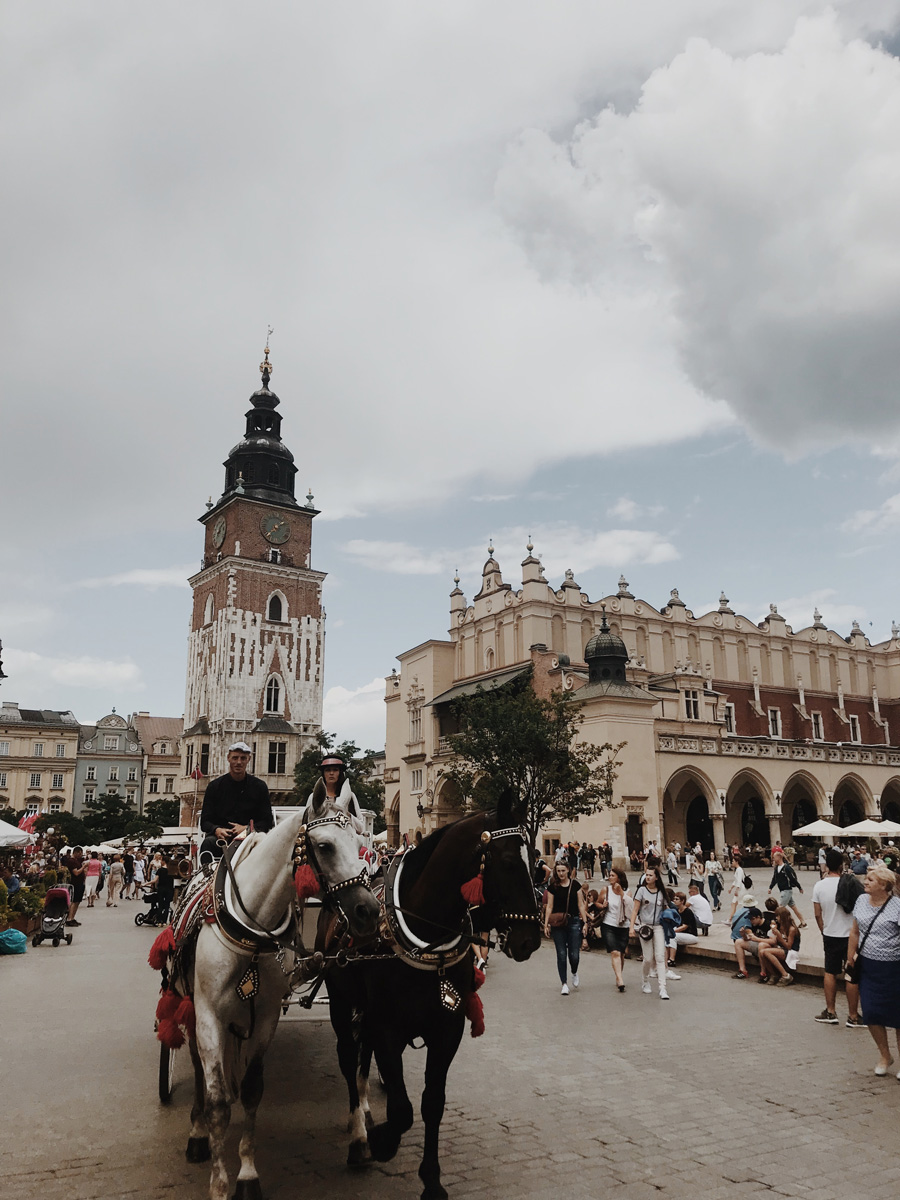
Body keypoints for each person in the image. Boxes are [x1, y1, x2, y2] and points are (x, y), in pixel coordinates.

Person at [846, 864, 900, 1076]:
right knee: (871, 1011)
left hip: (894, 967)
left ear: (884, 885)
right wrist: (850, 957)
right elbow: (855, 931)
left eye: (870, 880)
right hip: (868, 966)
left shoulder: (897, 906)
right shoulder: (861, 901)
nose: (865, 882)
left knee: (898, 1015)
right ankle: (885, 1055)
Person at [812, 847, 863, 1027]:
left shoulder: (819, 885)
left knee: (830, 972)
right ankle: (853, 1016)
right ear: (842, 865)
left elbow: (817, 914)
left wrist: (822, 929)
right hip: (851, 935)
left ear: (826, 865)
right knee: (851, 974)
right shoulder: (850, 882)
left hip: (831, 933)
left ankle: (831, 1011)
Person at [199, 741, 273, 861]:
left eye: (243, 758)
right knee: (208, 844)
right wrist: (217, 830)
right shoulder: (214, 787)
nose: (239, 762)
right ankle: (207, 878)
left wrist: (247, 829)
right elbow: (205, 821)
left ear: (249, 759)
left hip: (250, 839)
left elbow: (267, 821)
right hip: (220, 840)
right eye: (235, 758)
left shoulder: (259, 787)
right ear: (228, 758)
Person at [542, 860, 587, 995]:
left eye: (563, 870)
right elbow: (549, 906)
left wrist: (585, 922)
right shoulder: (552, 887)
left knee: (574, 955)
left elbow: (581, 905)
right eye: (558, 871)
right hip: (558, 923)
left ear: (568, 870)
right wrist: (546, 924)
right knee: (561, 954)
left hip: (573, 921)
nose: (561, 873)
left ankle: (574, 971)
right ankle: (564, 983)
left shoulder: (575, 885)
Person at [629, 865, 672, 999]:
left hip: (658, 926)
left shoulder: (661, 892)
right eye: (646, 875)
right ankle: (645, 980)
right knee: (647, 958)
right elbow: (635, 910)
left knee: (660, 957)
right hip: (645, 927)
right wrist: (631, 927)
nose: (647, 877)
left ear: (656, 877)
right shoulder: (641, 890)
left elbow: (666, 908)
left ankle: (662, 988)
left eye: (650, 875)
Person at [599, 868, 632, 993]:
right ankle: (620, 979)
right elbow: (597, 903)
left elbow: (629, 905)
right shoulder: (605, 890)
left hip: (623, 926)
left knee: (621, 953)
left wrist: (620, 893)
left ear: (619, 877)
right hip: (609, 924)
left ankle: (619, 975)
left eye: (612, 875)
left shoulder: (628, 891)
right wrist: (602, 905)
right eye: (609, 875)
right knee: (615, 952)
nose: (610, 877)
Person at [758, 906, 801, 986]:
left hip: (791, 952)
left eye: (778, 916)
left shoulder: (792, 929)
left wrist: (779, 937)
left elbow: (789, 946)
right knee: (761, 951)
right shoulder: (780, 926)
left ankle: (785, 975)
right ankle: (773, 974)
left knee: (766, 952)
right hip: (781, 948)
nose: (776, 918)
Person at [730, 900, 772, 979]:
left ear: (758, 917)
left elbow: (773, 941)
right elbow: (749, 938)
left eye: (752, 919)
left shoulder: (768, 925)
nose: (751, 921)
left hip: (767, 946)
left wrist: (757, 939)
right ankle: (743, 970)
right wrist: (743, 935)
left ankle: (763, 973)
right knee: (738, 942)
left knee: (761, 945)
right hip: (758, 945)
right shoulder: (753, 925)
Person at [768, 850, 806, 927]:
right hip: (783, 890)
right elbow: (774, 879)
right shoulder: (777, 868)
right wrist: (770, 887)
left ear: (779, 857)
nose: (773, 859)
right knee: (794, 907)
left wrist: (799, 887)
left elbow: (792, 879)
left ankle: (780, 925)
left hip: (787, 890)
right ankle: (803, 922)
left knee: (780, 909)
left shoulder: (786, 868)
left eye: (774, 857)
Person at [667, 892, 698, 968]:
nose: (674, 900)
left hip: (691, 935)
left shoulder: (687, 912)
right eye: (674, 899)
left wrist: (673, 931)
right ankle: (666, 958)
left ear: (682, 901)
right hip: (682, 934)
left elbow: (685, 926)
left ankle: (672, 959)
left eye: (677, 899)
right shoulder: (677, 911)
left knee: (673, 936)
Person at [66, 849, 85, 926]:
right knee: (74, 901)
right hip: (75, 883)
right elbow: (76, 873)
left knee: (77, 901)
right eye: (80, 853)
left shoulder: (76, 861)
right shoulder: (71, 861)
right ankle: (69, 918)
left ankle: (73, 918)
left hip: (80, 883)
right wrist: (84, 866)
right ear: (76, 853)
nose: (81, 855)